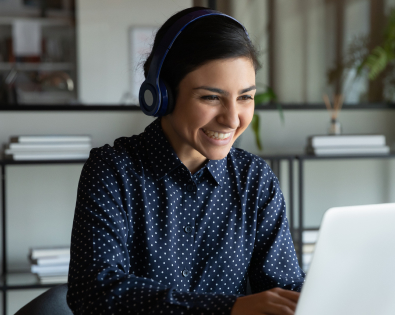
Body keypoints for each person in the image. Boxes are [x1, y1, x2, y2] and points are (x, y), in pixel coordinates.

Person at [66, 7, 305, 315]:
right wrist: (227, 309)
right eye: (211, 97)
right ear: (161, 95)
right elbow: (94, 292)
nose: (232, 119)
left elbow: (284, 292)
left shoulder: (254, 180)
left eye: (245, 97)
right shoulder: (113, 171)